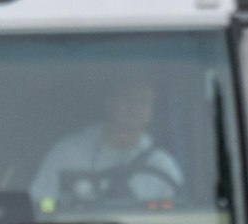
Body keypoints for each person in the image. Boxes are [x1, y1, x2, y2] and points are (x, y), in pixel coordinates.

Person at [29, 76, 183, 213]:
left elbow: (176, 217)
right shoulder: (68, 153)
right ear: (110, 103)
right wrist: (61, 207)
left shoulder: (162, 166)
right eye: (127, 99)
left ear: (151, 113)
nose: (135, 108)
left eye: (144, 101)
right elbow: (39, 204)